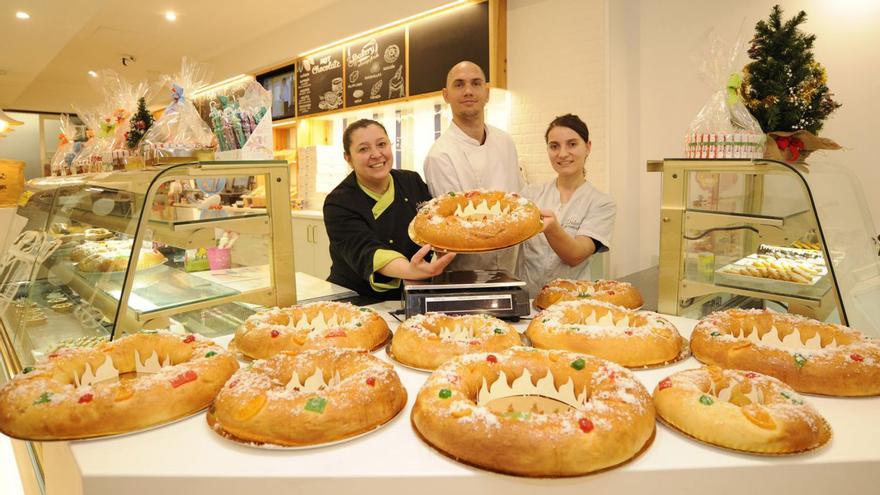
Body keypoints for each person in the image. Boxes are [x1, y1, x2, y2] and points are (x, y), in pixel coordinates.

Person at [323, 119, 456, 300]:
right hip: (357, 297)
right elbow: (366, 251)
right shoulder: (338, 202)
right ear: (348, 158)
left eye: (382, 144)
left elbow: (433, 222)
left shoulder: (411, 181)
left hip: (411, 289)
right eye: (363, 149)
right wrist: (410, 270)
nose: (376, 154)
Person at [423, 61, 524, 273]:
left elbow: (517, 201)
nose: (468, 91)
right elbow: (454, 227)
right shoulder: (440, 155)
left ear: (487, 93)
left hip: (512, 268)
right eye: (459, 85)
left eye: (476, 83)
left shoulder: (505, 141)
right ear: (446, 95)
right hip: (465, 274)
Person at [516, 114, 616, 297]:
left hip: (570, 305)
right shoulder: (530, 195)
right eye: (554, 146)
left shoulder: (601, 203)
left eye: (572, 144)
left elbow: (576, 255)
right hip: (526, 302)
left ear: (588, 147)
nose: (562, 154)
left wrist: (552, 227)